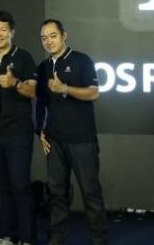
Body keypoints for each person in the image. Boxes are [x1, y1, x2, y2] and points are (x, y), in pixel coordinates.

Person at [35, 19, 107, 245]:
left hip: (82, 140)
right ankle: (56, 238)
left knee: (90, 193)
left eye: (53, 36)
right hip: (55, 141)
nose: (48, 41)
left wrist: (65, 88)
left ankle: (99, 239)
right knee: (57, 193)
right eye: (44, 38)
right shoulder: (43, 67)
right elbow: (41, 103)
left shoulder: (82, 60)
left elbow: (94, 93)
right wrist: (40, 130)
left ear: (64, 35)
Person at [0, 11, 38, 245]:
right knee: (3, 187)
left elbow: (33, 90)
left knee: (20, 185)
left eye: (3, 30)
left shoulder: (23, 57)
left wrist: (14, 83)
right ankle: (8, 235)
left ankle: (27, 238)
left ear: (12, 32)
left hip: (18, 132)